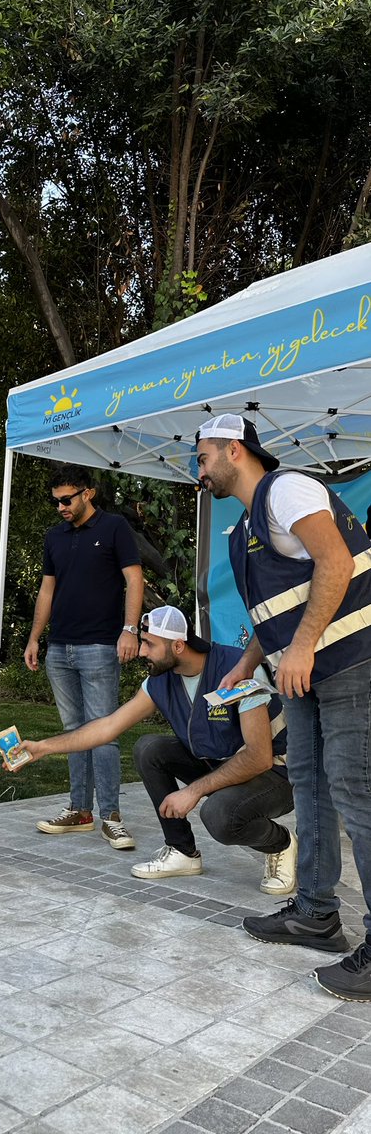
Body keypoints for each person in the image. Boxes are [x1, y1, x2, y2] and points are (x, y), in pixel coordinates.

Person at [196, 411, 371, 1002]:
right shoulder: (246, 524)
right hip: (304, 674)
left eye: (203, 456)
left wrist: (298, 648)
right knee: (311, 785)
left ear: (234, 450)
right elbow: (276, 608)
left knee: (355, 790)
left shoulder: (288, 489)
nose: (200, 469)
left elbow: (337, 562)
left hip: (350, 661)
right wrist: (248, 664)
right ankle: (317, 914)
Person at [20, 605, 296, 893]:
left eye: (149, 644)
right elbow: (108, 726)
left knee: (218, 815)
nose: (140, 651)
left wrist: (193, 791)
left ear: (177, 645)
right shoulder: (160, 681)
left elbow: (258, 756)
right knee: (150, 748)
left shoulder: (237, 668)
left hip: (276, 773)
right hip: (222, 764)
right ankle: (182, 852)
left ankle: (282, 844)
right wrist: (43, 747)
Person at [24, 464, 143, 850]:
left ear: (87, 493)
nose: (60, 507)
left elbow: (134, 579)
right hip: (59, 647)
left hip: (99, 645)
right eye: (55, 500)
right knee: (74, 732)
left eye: (66, 499)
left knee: (103, 734)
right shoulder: (54, 537)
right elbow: (46, 591)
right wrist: (34, 639)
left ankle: (111, 815)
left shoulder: (114, 528)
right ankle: (80, 810)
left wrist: (130, 629)